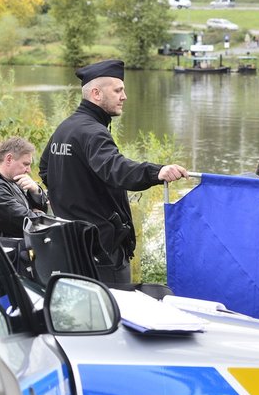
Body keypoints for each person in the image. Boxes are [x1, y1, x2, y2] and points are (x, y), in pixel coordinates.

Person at [40, 59, 188, 285]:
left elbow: (45, 169)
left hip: (69, 246)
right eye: (118, 90)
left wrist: (74, 198)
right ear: (96, 94)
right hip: (101, 253)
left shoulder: (66, 128)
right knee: (112, 314)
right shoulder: (93, 132)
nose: (124, 96)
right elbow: (117, 169)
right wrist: (157, 172)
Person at [0, 136, 49, 238]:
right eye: (26, 164)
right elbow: (27, 222)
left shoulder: (11, 180)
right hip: (0, 252)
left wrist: (35, 191)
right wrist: (40, 215)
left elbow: (35, 213)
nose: (28, 170)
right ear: (9, 159)